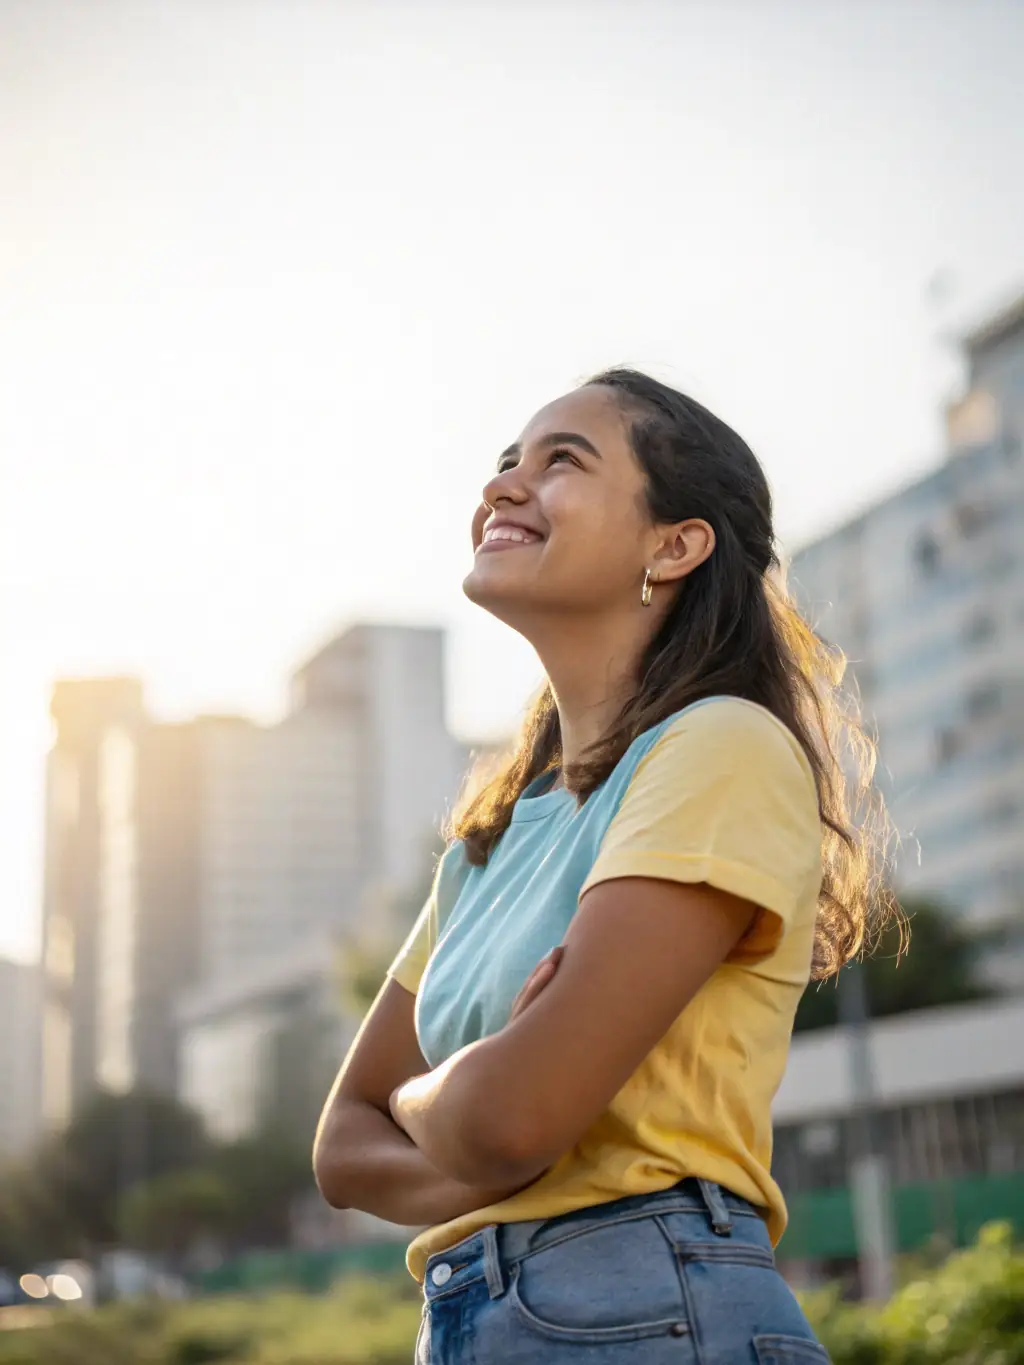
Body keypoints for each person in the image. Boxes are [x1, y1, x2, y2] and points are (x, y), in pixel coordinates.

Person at [313, 370, 891, 1363]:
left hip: (647, 1301)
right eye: (504, 465)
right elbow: (340, 1146)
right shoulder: (490, 838)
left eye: (560, 463)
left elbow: (499, 1118)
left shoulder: (722, 747)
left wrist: (436, 1106)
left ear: (674, 545)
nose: (502, 488)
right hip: (470, 1313)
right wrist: (478, 1128)